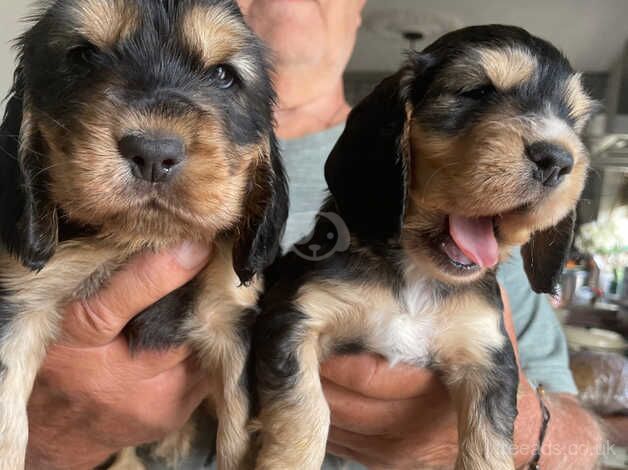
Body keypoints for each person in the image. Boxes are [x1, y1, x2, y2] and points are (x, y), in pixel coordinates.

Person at [25, 1, 603, 469]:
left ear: (360, 11)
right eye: (476, 94)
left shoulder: (488, 235)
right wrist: (49, 441)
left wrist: (526, 434)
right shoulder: (54, 162)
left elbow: (581, 445)